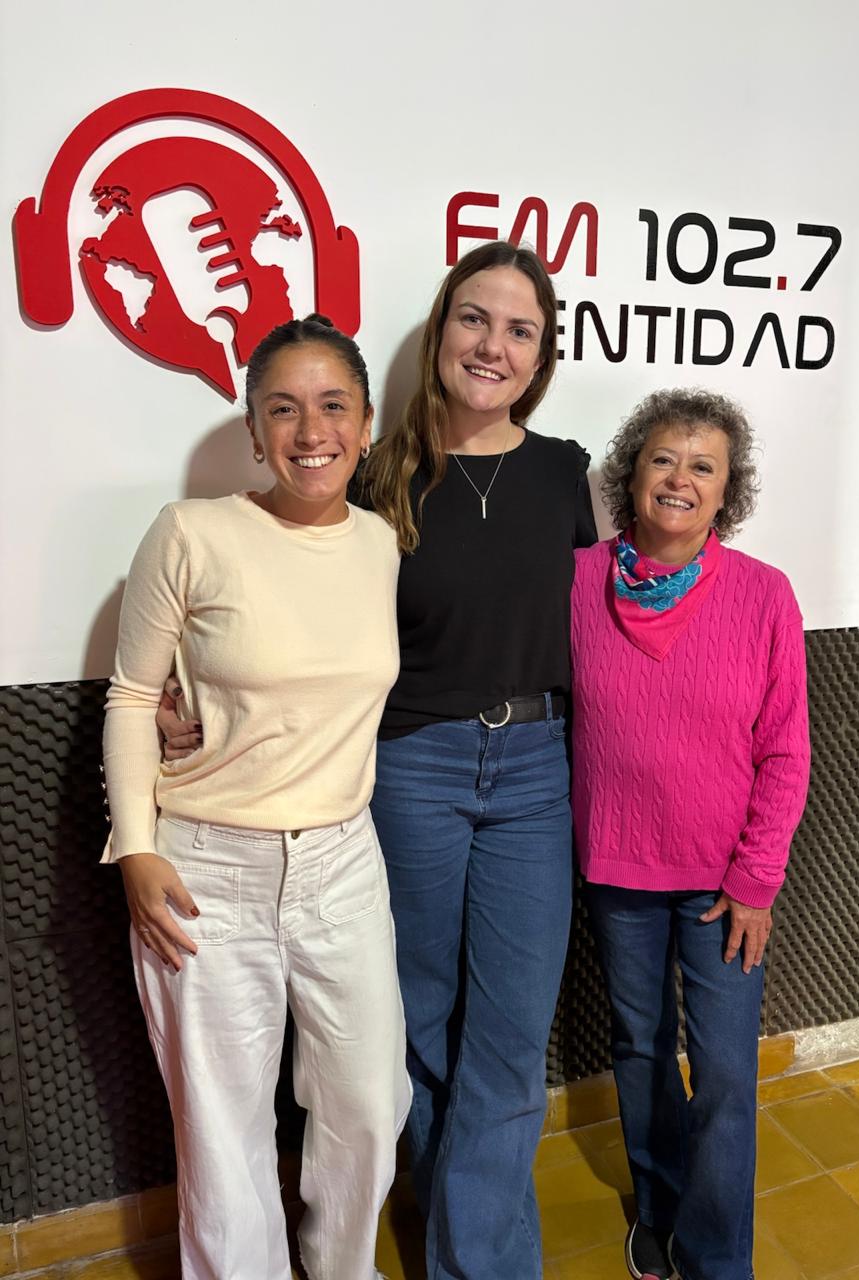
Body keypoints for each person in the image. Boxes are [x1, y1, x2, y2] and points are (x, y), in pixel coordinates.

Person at [161, 242, 597, 1280]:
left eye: (520, 329)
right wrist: (190, 691)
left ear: (542, 355)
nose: (492, 345)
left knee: (509, 1035)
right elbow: (292, 601)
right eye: (474, 318)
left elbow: (595, 631)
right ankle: (442, 1216)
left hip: (536, 769)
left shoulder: (565, 472)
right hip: (409, 768)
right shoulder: (375, 468)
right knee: (415, 1024)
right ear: (441, 330)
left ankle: (478, 1260)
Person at [103, 315, 410, 1280]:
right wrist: (136, 846)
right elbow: (133, 696)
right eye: (283, 408)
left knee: (370, 1106)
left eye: (333, 406)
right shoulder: (191, 532)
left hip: (343, 861)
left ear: (366, 425)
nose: (310, 431)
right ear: (252, 428)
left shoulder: (379, 543)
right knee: (223, 1131)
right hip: (206, 870)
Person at [569, 389, 810, 1280]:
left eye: (703, 466)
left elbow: (786, 749)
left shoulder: (764, 595)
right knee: (639, 1048)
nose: (680, 479)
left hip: (724, 885)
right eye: (663, 459)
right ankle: (658, 1205)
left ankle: (714, 1258)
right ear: (632, 475)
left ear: (725, 490)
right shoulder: (577, 581)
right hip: (618, 868)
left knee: (726, 1075)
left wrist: (756, 881)